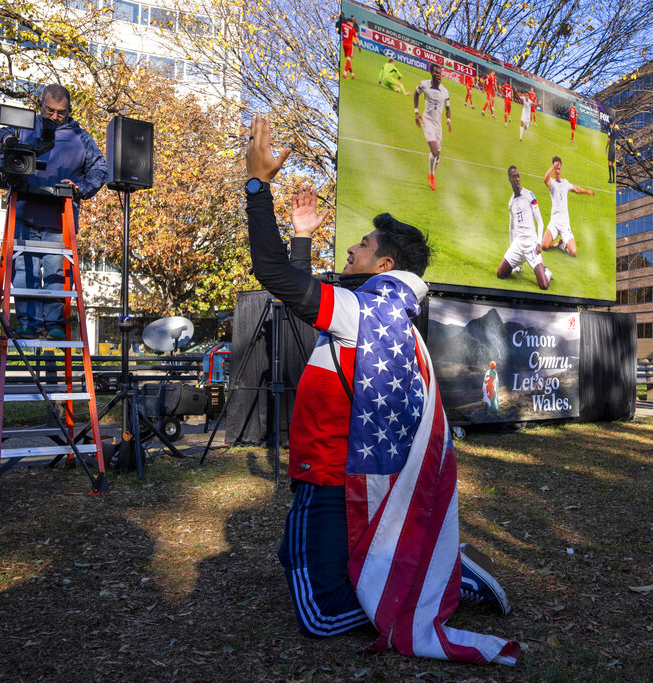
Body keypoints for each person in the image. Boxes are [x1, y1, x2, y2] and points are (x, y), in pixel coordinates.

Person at [244, 116, 518, 665]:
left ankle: (444, 583)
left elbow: (270, 272)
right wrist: (301, 235)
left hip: (330, 478)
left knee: (319, 616)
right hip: (340, 478)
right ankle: (429, 571)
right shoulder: (386, 315)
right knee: (291, 557)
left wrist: (257, 186)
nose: (352, 247)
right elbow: (306, 313)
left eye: (363, 244)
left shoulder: (362, 311)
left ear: (385, 264)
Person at [0, 83, 106, 340]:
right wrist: (7, 141)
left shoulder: (81, 137)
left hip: (60, 219)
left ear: (69, 110)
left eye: (60, 112)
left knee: (57, 274)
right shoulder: (24, 126)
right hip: (23, 212)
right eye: (49, 110)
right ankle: (28, 323)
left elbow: (100, 169)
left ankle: (55, 325)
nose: (54, 116)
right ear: (41, 105)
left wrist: (81, 187)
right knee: (23, 271)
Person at [496, 165, 551, 290]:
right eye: (514, 176)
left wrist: (539, 243)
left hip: (531, 244)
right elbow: (512, 228)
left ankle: (546, 271)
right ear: (509, 179)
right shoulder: (511, 203)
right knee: (501, 274)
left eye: (518, 176)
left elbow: (540, 222)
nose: (517, 179)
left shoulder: (529, 195)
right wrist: (511, 248)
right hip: (518, 244)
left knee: (543, 285)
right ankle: (516, 263)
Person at [540, 157, 595, 257]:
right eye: (556, 168)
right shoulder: (551, 182)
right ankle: (558, 243)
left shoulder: (565, 183)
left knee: (574, 253)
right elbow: (545, 179)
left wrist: (587, 192)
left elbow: (576, 189)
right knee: (544, 246)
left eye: (559, 168)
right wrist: (553, 166)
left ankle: (562, 245)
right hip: (554, 222)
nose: (557, 171)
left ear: (561, 169)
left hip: (565, 223)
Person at [413, 63, 451, 192]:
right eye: (436, 72)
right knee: (434, 151)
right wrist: (416, 112)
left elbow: (448, 108)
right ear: (431, 73)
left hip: (438, 125)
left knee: (438, 156)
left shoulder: (445, 91)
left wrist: (449, 120)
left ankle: (433, 171)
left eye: (440, 73)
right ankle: (431, 175)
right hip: (427, 121)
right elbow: (416, 94)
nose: (438, 75)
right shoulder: (424, 84)